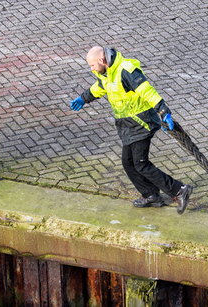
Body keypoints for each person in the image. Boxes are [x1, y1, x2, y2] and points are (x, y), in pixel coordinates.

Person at [70, 46, 192, 214]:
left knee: (141, 164)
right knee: (128, 163)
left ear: (101, 60)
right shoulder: (106, 73)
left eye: (91, 65)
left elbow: (147, 91)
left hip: (142, 124)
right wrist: (83, 98)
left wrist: (164, 111)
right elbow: (100, 87)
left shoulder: (126, 70)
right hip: (128, 126)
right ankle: (151, 195)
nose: (91, 69)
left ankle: (180, 190)